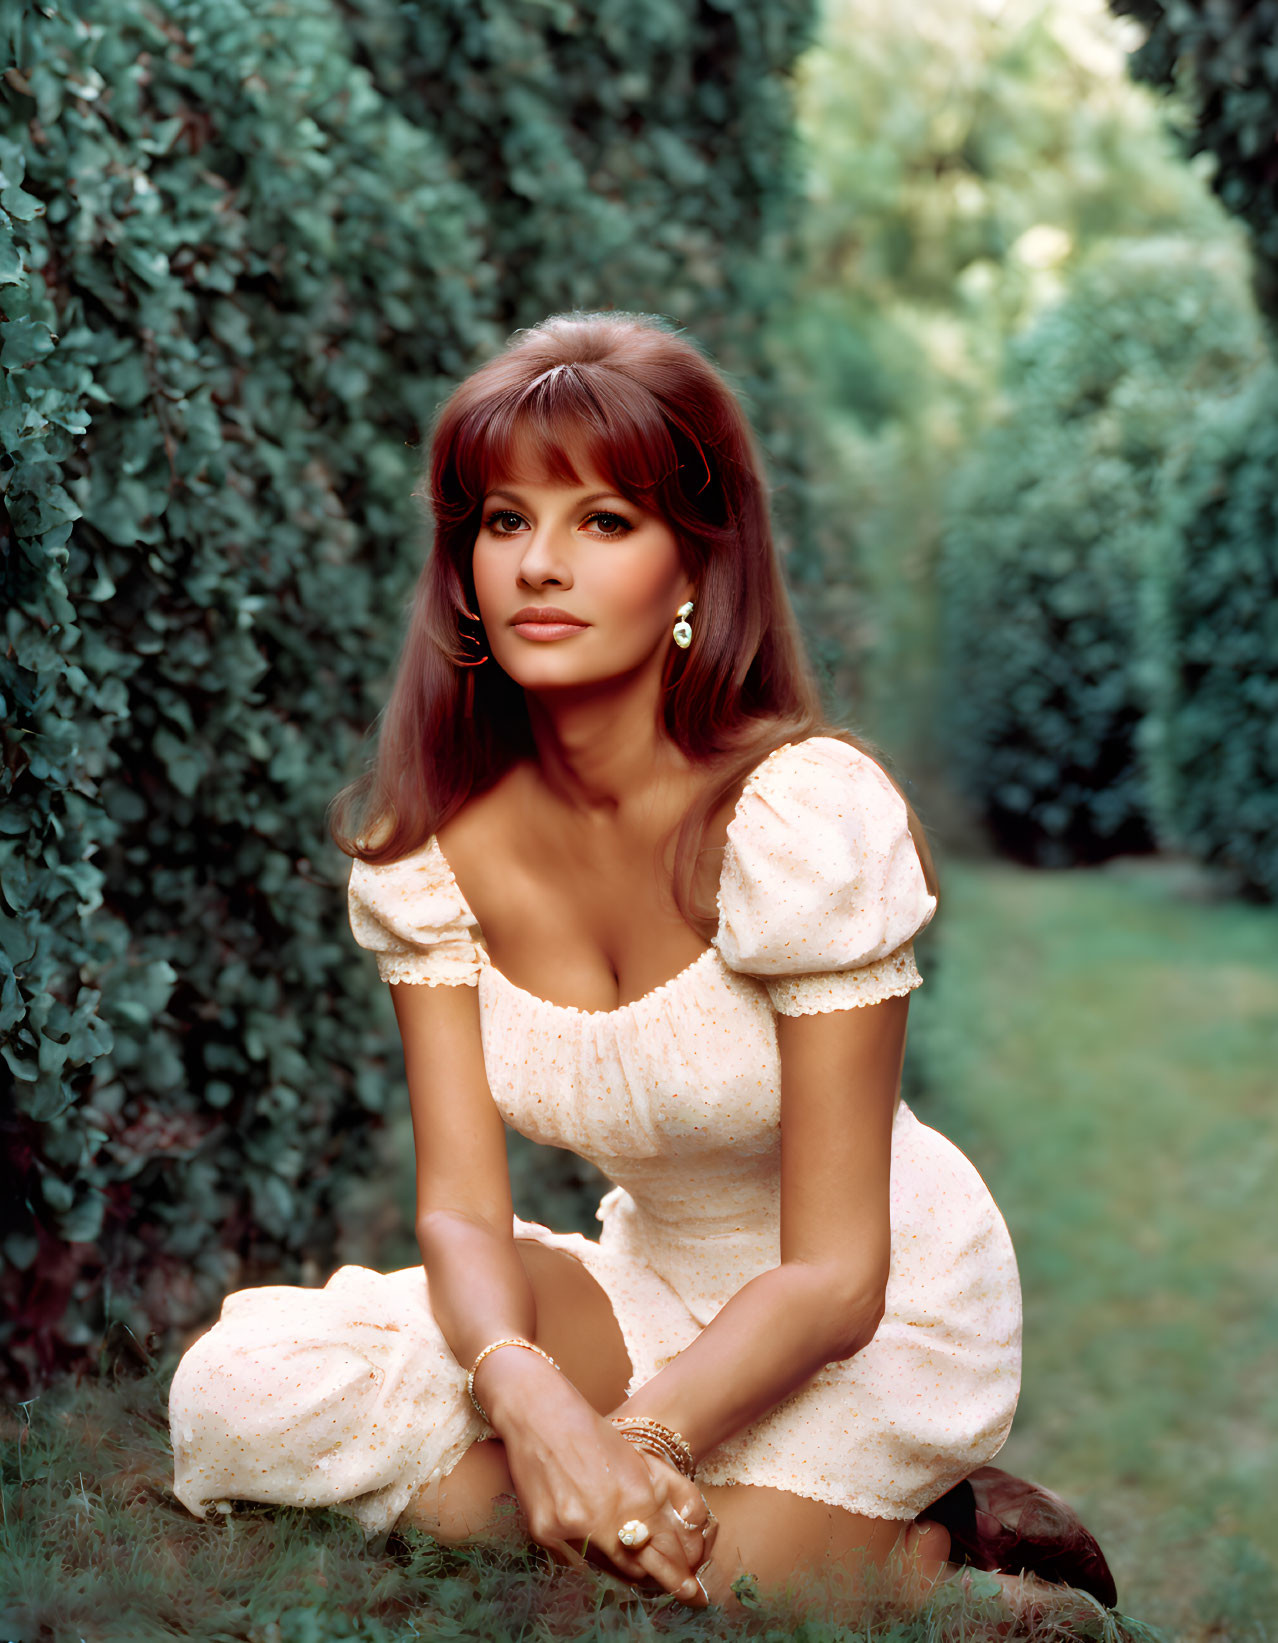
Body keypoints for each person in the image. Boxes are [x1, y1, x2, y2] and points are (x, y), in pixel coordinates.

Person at [168, 310, 1115, 1621]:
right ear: (463, 564)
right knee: (239, 1391)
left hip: (868, 1307)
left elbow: (837, 1275)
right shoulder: (425, 851)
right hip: (648, 1281)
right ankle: (702, 1521)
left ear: (691, 571)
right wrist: (528, 1392)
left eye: (602, 522)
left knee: (686, 1570)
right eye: (504, 521)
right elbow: (456, 1207)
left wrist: (641, 1442)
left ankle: (925, 1550)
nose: (539, 566)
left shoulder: (797, 821)